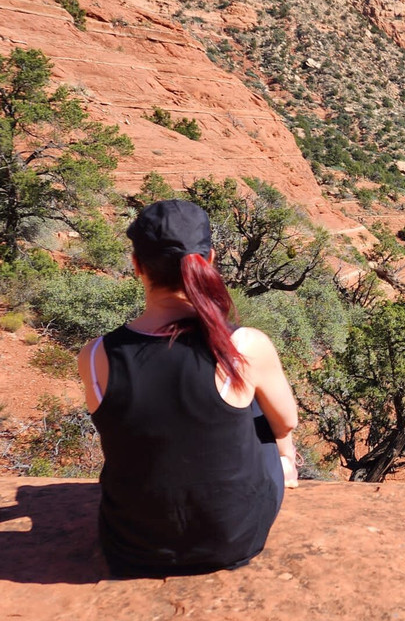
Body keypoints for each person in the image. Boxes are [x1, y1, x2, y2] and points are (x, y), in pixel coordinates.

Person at [76, 199, 300, 577]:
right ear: (208, 258)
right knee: (256, 405)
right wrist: (284, 455)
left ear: (136, 266)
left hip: (130, 545)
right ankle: (285, 471)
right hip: (232, 538)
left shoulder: (96, 354)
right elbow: (287, 423)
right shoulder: (244, 345)